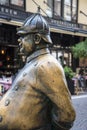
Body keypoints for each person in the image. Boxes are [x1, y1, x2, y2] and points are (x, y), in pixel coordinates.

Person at [0, 11, 76, 130]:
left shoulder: (47, 65)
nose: (19, 41)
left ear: (36, 38)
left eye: (23, 36)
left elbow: (67, 115)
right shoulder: (33, 62)